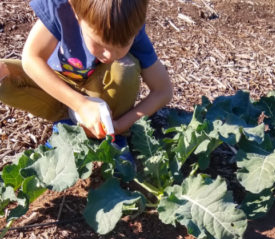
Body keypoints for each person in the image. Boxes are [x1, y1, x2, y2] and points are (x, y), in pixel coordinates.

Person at [0, 0, 173, 141]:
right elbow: (31, 59)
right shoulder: (60, 7)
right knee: (2, 74)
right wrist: (80, 104)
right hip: (58, 88)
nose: (109, 55)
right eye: (99, 43)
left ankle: (110, 136)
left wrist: (120, 125)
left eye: (121, 45)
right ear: (77, 14)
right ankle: (69, 123)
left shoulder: (130, 27)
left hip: (102, 98)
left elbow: (163, 90)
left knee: (125, 67)